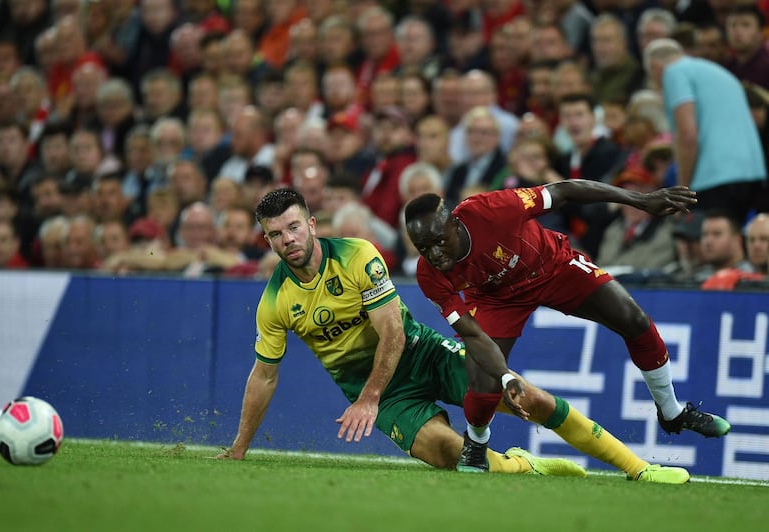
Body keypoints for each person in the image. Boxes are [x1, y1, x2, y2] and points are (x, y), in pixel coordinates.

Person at [217, 188, 690, 484]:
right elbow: (264, 376)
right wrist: (239, 448)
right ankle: (525, 466)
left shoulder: (359, 255)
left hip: (419, 354)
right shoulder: (275, 302)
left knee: (532, 400)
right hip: (385, 395)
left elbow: (394, 332)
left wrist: (369, 398)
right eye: (275, 234)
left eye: (293, 227)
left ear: (311, 224)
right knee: (448, 453)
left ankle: (639, 468)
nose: (288, 240)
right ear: (267, 240)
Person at [404, 179, 731, 474]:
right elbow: (473, 334)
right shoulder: (429, 275)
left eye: (438, 241)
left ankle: (672, 412)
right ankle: (475, 445)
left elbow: (564, 191)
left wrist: (639, 200)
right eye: (423, 248)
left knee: (635, 321)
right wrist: (505, 376)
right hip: (496, 298)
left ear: (454, 224)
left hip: (552, 266)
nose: (434, 253)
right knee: (480, 376)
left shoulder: (494, 209)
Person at [643, 38, 766, 224]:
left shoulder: (673, 72)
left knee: (709, 244)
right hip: (753, 173)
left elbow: (687, 136)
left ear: (654, 67)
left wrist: (681, 192)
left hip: (715, 176)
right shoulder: (719, 72)